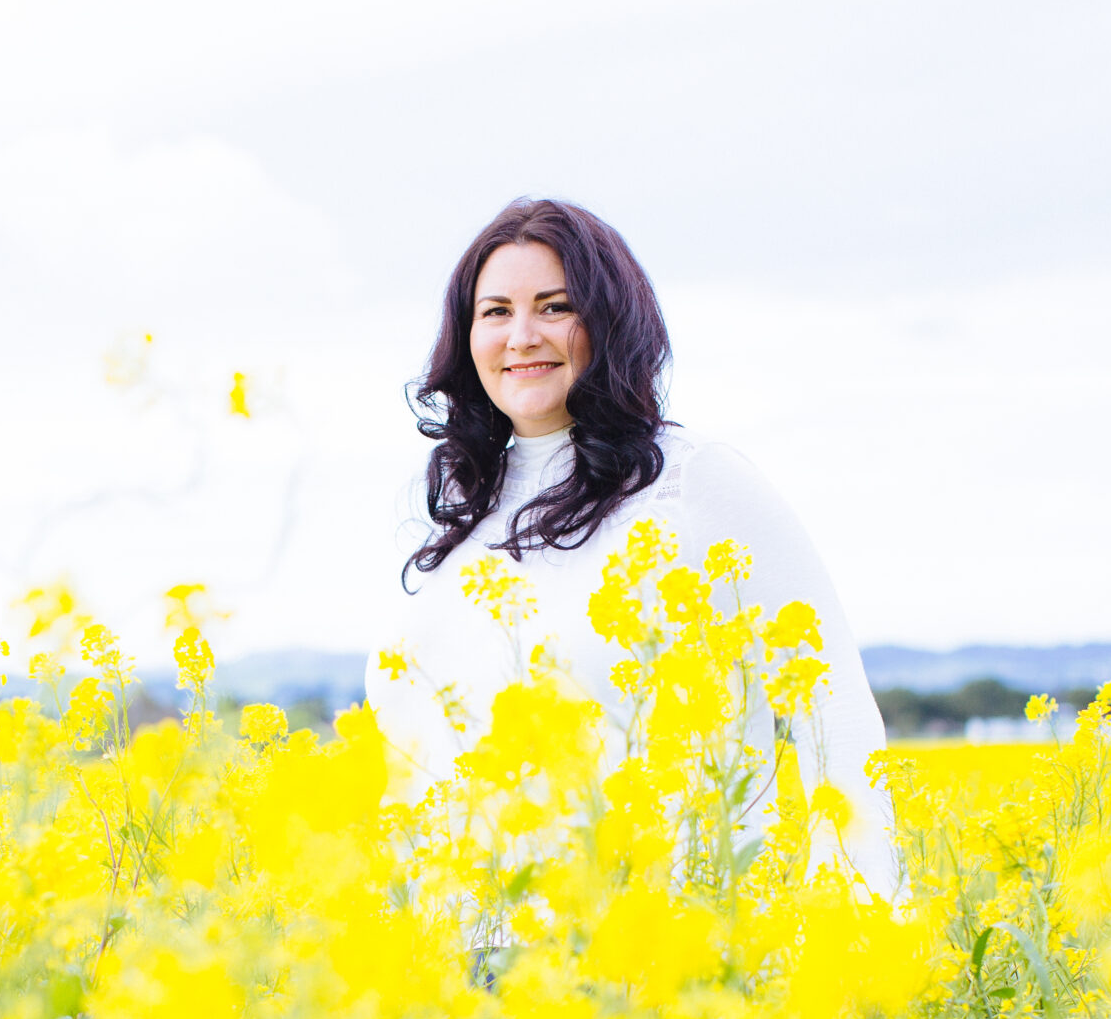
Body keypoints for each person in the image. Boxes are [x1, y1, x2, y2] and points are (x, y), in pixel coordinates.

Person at [366, 197, 899, 899]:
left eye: (555, 307)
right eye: (495, 312)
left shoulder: (691, 482)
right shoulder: (464, 512)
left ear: (611, 320)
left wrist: (855, 926)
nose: (522, 336)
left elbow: (834, 708)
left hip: (659, 943)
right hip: (464, 952)